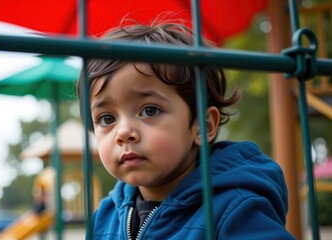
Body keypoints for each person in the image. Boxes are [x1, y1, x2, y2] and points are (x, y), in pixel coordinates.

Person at [77, 20, 296, 239]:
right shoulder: (104, 217)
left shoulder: (234, 210)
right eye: (106, 118)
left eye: (150, 110)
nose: (123, 132)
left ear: (202, 125)